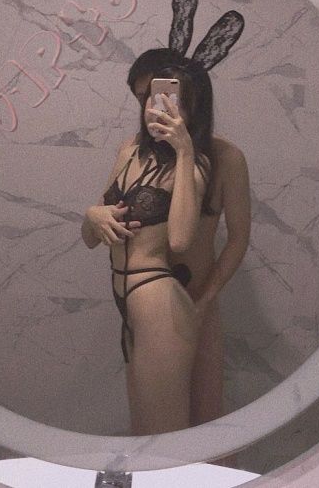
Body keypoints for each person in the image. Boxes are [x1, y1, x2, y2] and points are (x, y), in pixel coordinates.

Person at [81, 61, 214, 435]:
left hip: (158, 301)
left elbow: (180, 240)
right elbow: (90, 237)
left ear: (191, 109)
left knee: (163, 435)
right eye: (151, 99)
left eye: (174, 101)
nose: (157, 108)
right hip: (126, 300)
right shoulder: (128, 151)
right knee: (141, 431)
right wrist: (93, 214)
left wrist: (184, 150)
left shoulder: (195, 165)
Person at [128, 49, 251, 435]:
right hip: (151, 306)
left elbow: (238, 238)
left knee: (204, 417)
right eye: (144, 98)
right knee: (156, 420)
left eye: (161, 96)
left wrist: (206, 299)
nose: (152, 108)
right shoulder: (139, 156)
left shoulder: (226, 158)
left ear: (191, 98)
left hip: (200, 296)